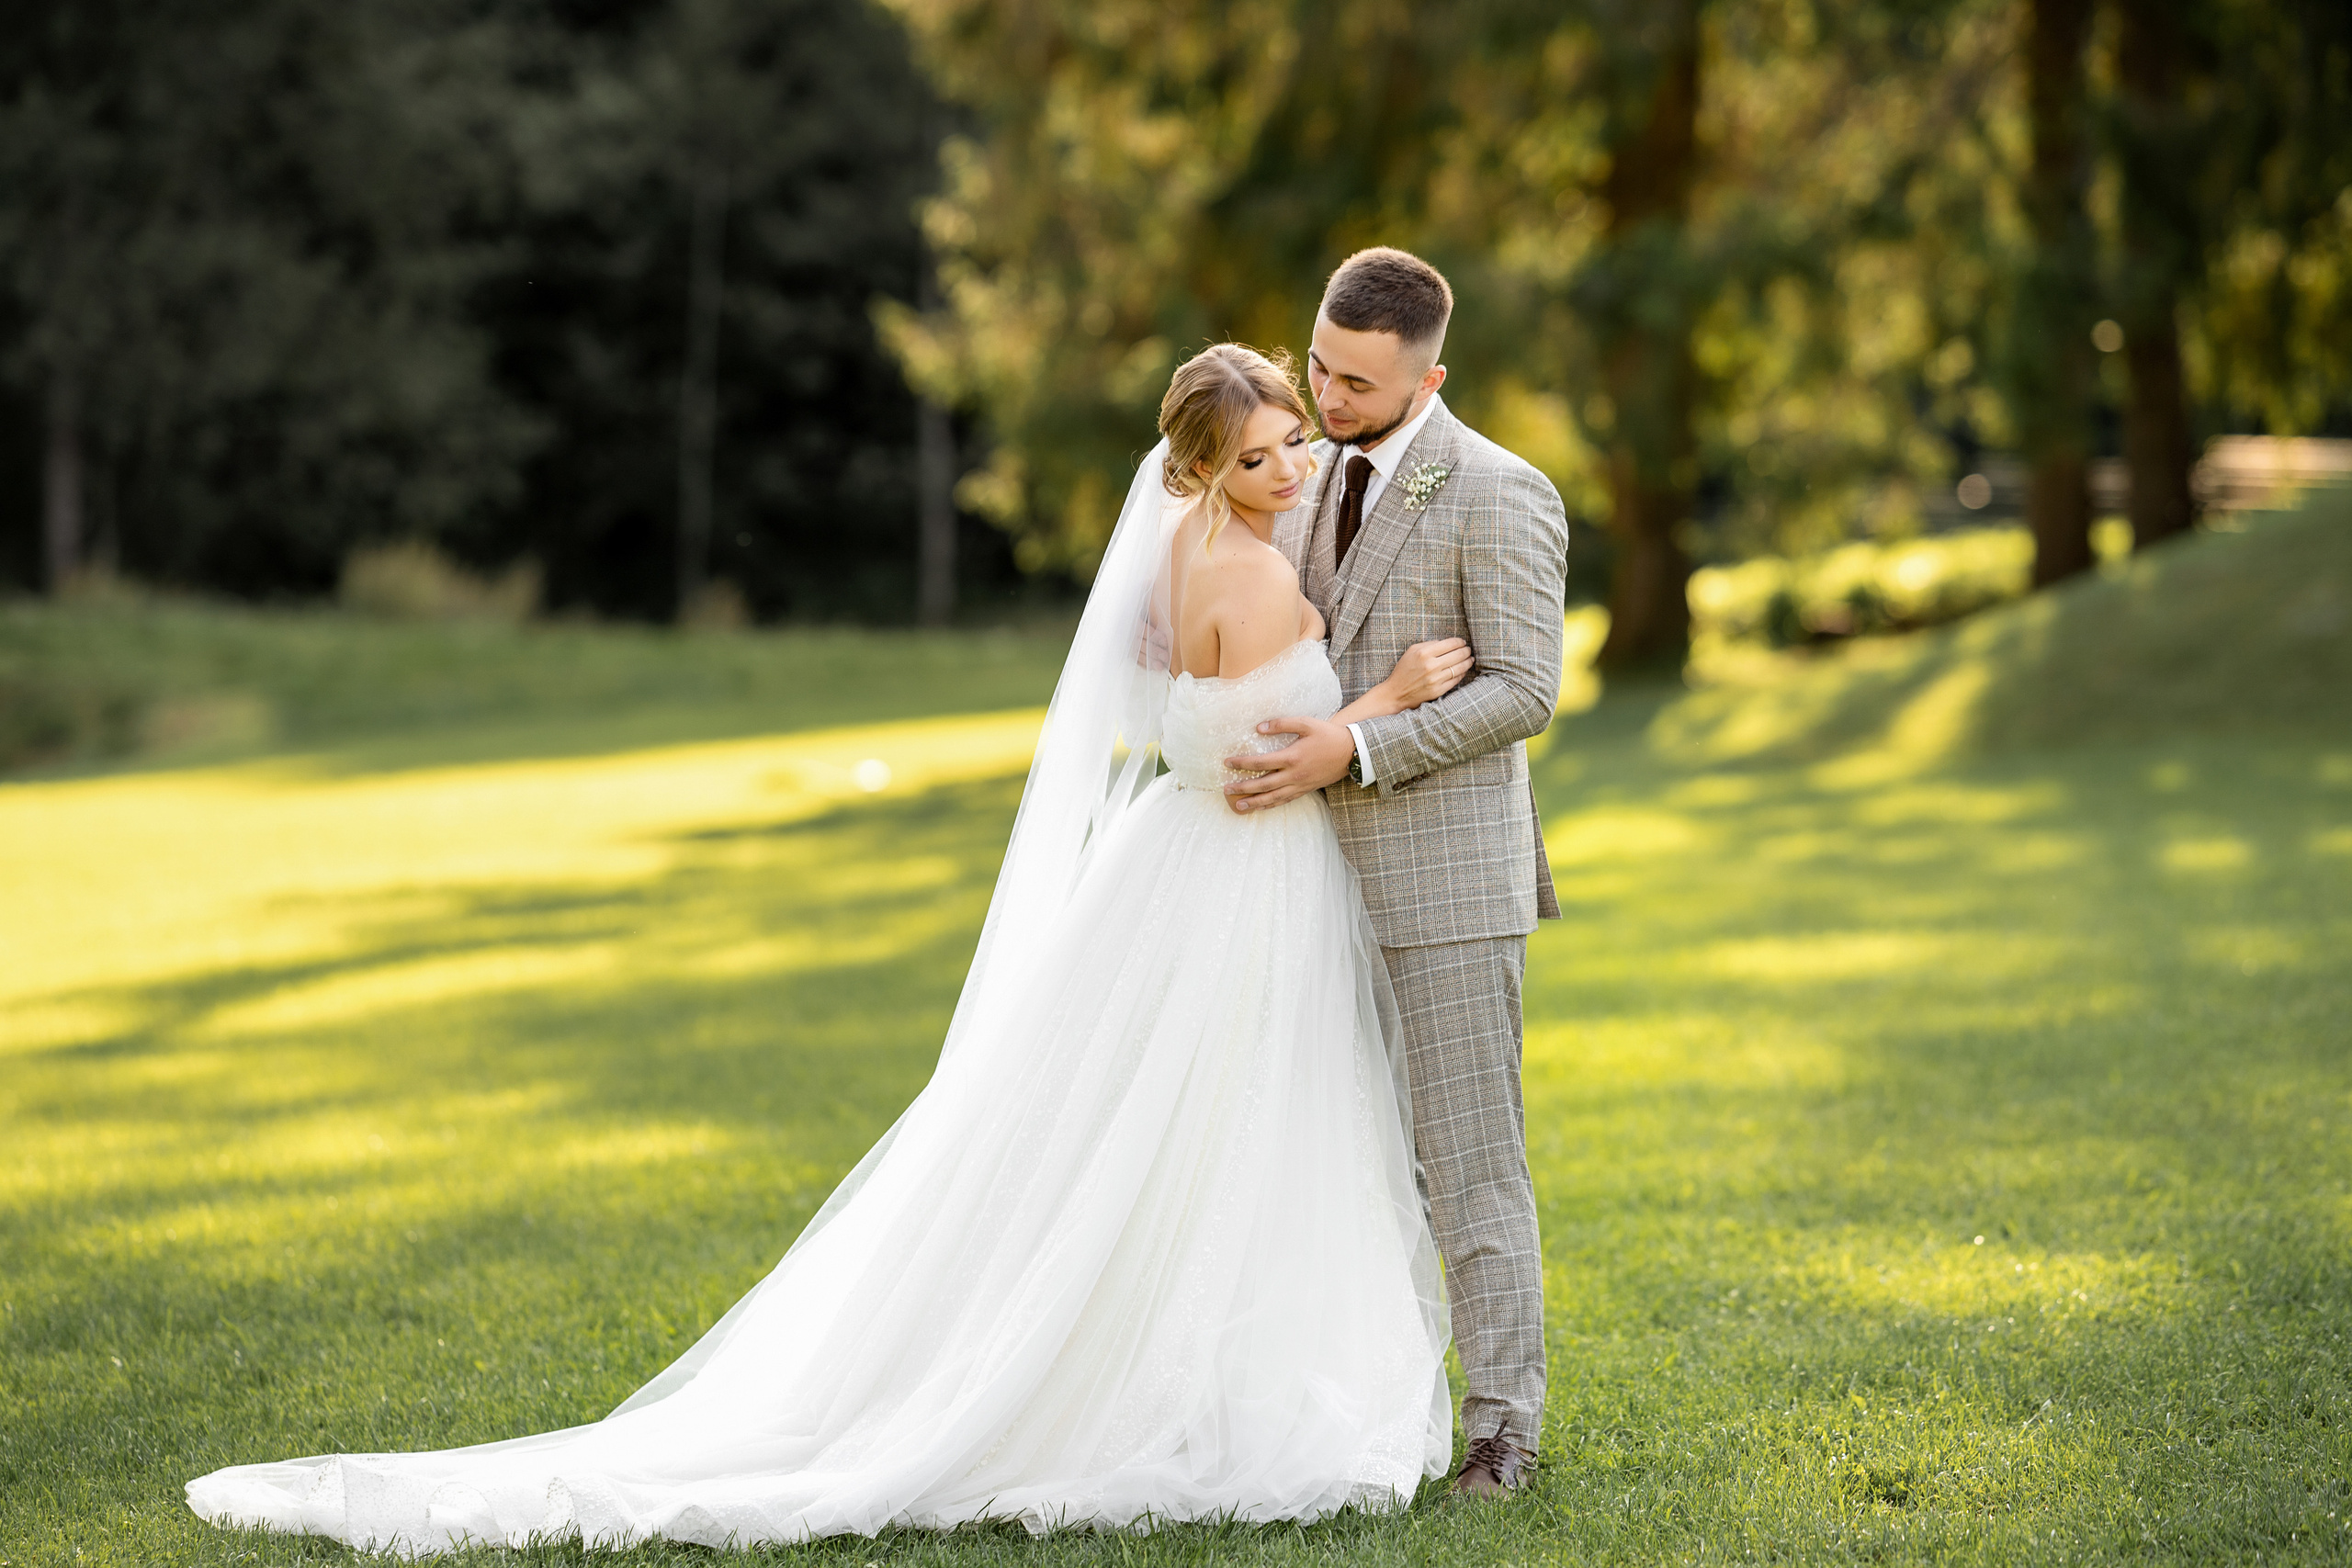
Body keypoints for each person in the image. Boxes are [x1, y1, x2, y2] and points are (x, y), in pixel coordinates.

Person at [186, 342, 1495, 1554]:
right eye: (1262, 454)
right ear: (1203, 468)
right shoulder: (1261, 577)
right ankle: (1209, 1386)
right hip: (1242, 882)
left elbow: (1190, 729)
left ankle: (1198, 1354)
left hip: (1172, 864)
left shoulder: (1171, 563)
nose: (1291, 468)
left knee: (1169, 1134)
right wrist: (1388, 697)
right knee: (1234, 1129)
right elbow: (1273, 756)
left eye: (1295, 443)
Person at [1221, 248, 1569, 1497]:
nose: (1327, 396)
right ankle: (1362, 1411)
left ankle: (1502, 1432)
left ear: (1432, 375)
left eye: (1358, 381)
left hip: (1446, 885)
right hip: (1303, 885)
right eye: (1319, 364)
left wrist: (1355, 746)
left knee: (1466, 1163)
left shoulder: (1499, 490)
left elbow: (1526, 688)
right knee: (1332, 1156)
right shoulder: (1297, 479)